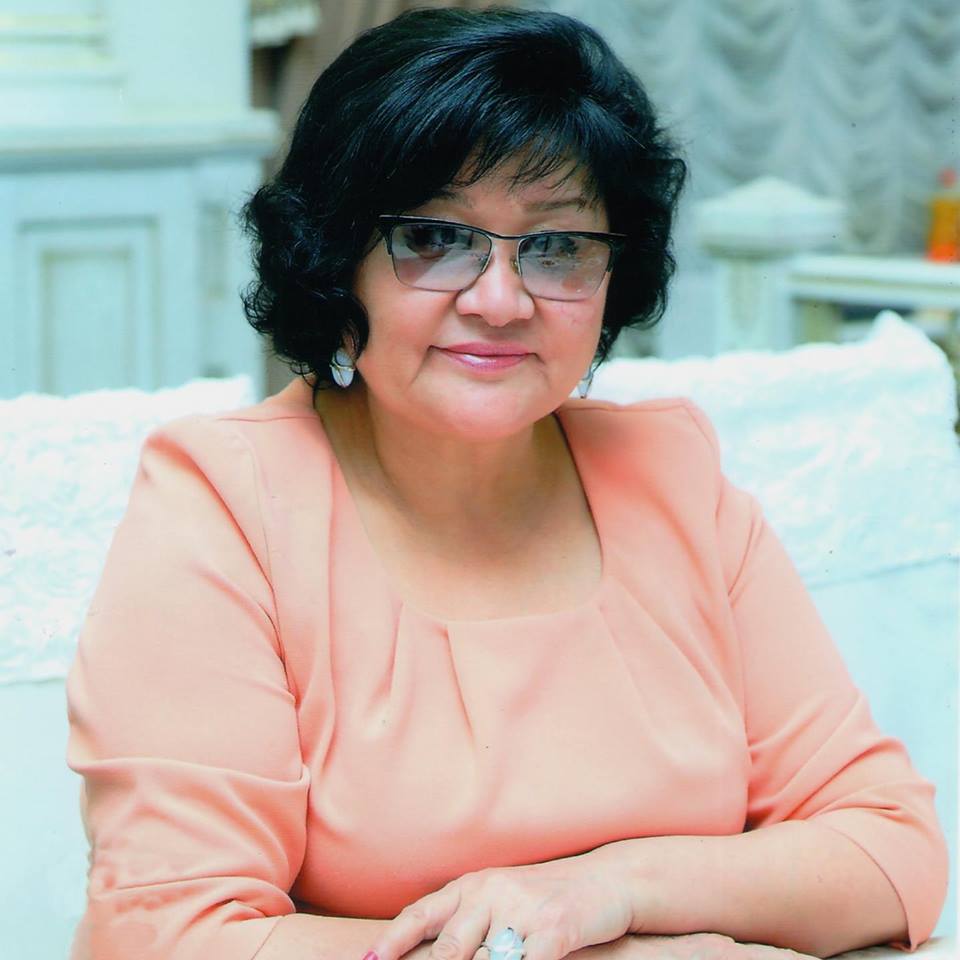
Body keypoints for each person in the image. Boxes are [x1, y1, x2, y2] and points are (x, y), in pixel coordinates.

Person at [65, 7, 948, 960]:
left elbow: (889, 853)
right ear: (336, 257)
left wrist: (611, 890)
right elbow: (163, 936)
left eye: (557, 246)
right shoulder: (225, 503)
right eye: (433, 238)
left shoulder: (670, 474)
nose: (498, 300)